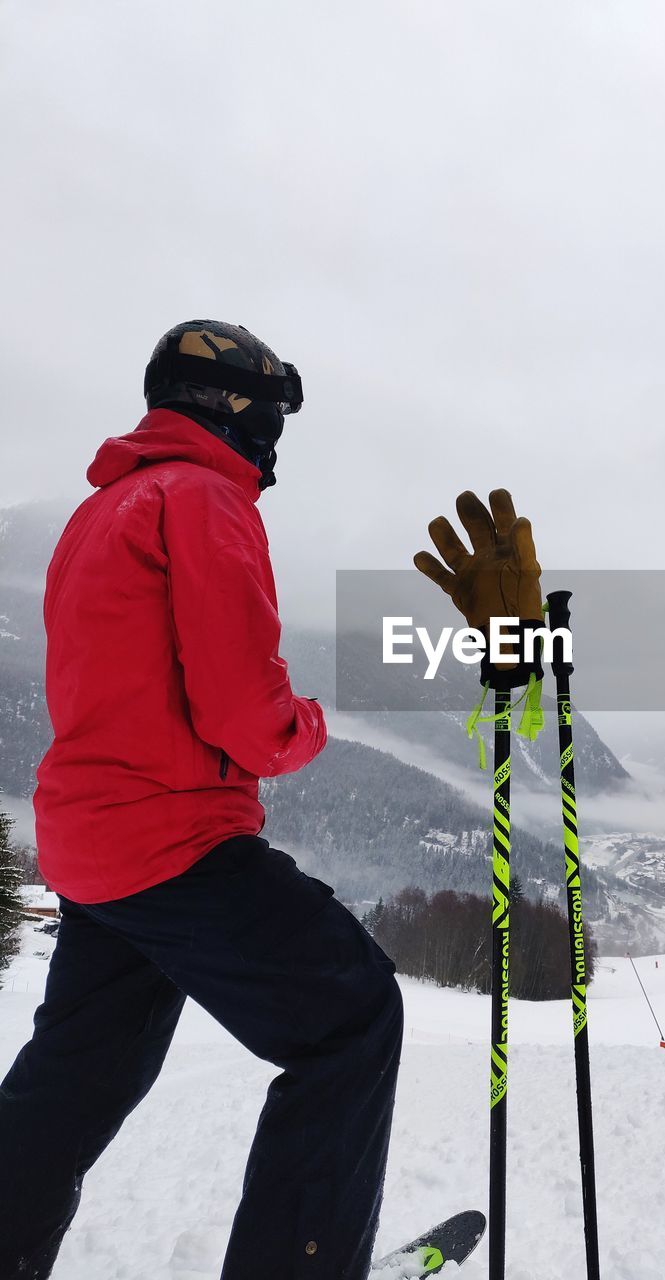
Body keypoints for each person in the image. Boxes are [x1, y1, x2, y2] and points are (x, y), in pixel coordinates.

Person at [0, 321, 403, 1280]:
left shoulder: (98, 513)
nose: (272, 435)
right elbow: (244, 715)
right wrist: (308, 724)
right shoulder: (206, 498)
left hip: (93, 848)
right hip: (175, 840)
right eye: (268, 411)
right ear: (224, 405)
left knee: (74, 1084)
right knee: (351, 1019)